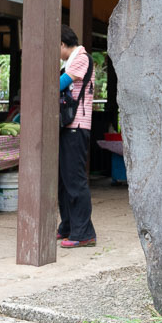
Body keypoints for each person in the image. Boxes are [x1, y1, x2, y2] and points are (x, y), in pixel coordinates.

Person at [57, 25, 96, 248]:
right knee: (65, 181)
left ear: (63, 44)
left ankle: (83, 233)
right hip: (69, 125)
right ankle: (68, 227)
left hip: (77, 126)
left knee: (75, 181)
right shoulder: (69, 61)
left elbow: (60, 84)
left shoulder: (80, 58)